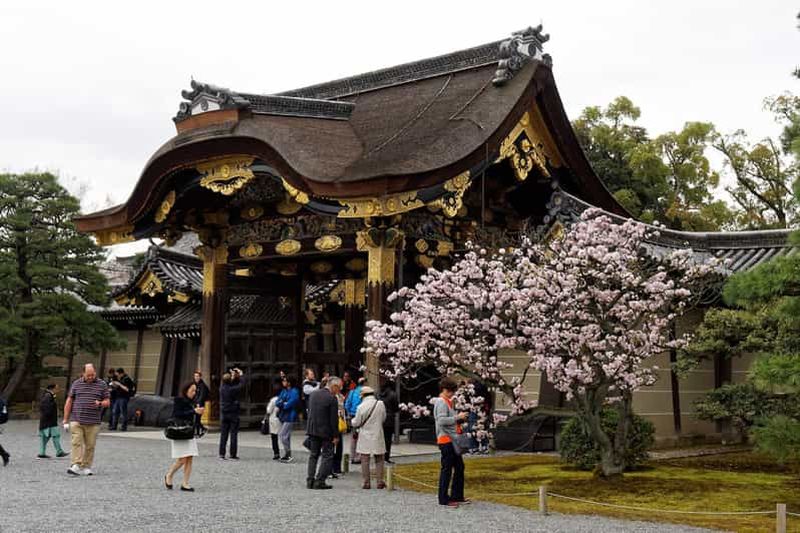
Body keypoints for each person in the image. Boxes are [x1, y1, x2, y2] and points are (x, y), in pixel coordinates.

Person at [63, 363, 110, 476]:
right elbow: (69, 401)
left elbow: (107, 402)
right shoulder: (76, 384)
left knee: (90, 445)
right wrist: (65, 419)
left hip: (93, 421)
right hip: (77, 419)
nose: (91, 377)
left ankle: (86, 466)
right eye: (88, 375)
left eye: (92, 374)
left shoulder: (102, 384)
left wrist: (100, 403)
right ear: (83, 373)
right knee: (76, 442)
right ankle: (75, 464)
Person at [433, 378, 469, 507]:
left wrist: (458, 419)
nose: (452, 394)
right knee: (447, 469)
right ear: (444, 390)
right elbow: (441, 420)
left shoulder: (447, 402)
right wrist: (457, 417)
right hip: (446, 439)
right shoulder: (442, 402)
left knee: (459, 467)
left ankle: (457, 495)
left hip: (451, 438)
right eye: (450, 391)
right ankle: (444, 498)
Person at [164, 381, 204, 492]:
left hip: (189, 432)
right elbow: (177, 414)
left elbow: (193, 416)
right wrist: (193, 411)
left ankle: (185, 483)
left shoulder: (193, 401)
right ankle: (169, 475)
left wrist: (198, 414)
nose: (194, 393)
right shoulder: (179, 400)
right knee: (182, 459)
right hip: (180, 431)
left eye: (195, 391)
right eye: (192, 390)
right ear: (186, 390)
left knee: (190, 458)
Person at [305, 376, 341, 490]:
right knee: (327, 456)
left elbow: (310, 412)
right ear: (334, 386)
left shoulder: (313, 395)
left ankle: (310, 480)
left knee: (313, 455)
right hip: (326, 432)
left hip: (312, 429)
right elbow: (333, 420)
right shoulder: (332, 398)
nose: (339, 391)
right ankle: (320, 480)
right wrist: (335, 435)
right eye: (339, 388)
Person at [351, 386, 387, 489]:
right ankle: (380, 481)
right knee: (379, 458)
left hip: (365, 434)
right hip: (378, 433)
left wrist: (352, 421)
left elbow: (356, 422)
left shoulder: (361, 407)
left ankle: (366, 482)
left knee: (365, 459)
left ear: (362, 395)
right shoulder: (380, 404)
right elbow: (383, 418)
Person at [219, 368, 245, 460]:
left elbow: (228, 382)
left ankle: (221, 454)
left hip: (224, 413)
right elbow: (241, 385)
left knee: (223, 434)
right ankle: (232, 454)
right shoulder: (232, 389)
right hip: (233, 413)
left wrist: (232, 376)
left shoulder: (222, 388)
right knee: (233, 434)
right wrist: (241, 375)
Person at [38, 384, 67, 459]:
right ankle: (59, 451)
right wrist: (51, 415)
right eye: (57, 388)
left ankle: (42, 453)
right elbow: (47, 408)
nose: (58, 390)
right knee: (55, 435)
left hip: (46, 421)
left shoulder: (46, 395)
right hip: (50, 421)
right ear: (52, 389)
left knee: (44, 437)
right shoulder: (48, 396)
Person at [275, 375, 300, 463]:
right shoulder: (284, 391)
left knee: (282, 435)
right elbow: (277, 402)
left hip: (290, 416)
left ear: (289, 382)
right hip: (283, 415)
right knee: (286, 436)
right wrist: (282, 403)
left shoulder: (294, 392)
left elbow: (288, 405)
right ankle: (287, 454)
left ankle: (288, 452)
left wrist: (282, 403)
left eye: (285, 381)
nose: (283, 382)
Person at [344, 377, 365, 464]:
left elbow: (347, 404)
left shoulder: (352, 392)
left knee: (354, 436)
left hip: (353, 416)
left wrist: (349, 412)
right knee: (362, 436)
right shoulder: (364, 393)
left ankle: (353, 456)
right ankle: (359, 456)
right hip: (362, 416)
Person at [380, 381, 399, 463]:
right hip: (390, 418)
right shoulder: (393, 395)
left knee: (381, 438)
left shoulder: (379, 394)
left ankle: (380, 456)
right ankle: (386, 456)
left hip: (380, 418)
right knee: (388, 439)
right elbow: (396, 408)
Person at [265, 381, 282, 460]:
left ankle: (276, 453)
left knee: (274, 437)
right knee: (284, 436)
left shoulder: (273, 400)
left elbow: (269, 410)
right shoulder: (283, 398)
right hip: (282, 419)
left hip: (273, 419)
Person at [192, 370, 209, 437]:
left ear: (200, 377)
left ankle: (198, 432)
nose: (196, 377)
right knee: (195, 419)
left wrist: (199, 403)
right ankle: (202, 429)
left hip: (200, 404)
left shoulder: (202, 385)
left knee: (197, 418)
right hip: (194, 403)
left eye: (197, 376)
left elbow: (202, 395)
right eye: (195, 376)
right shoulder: (194, 384)